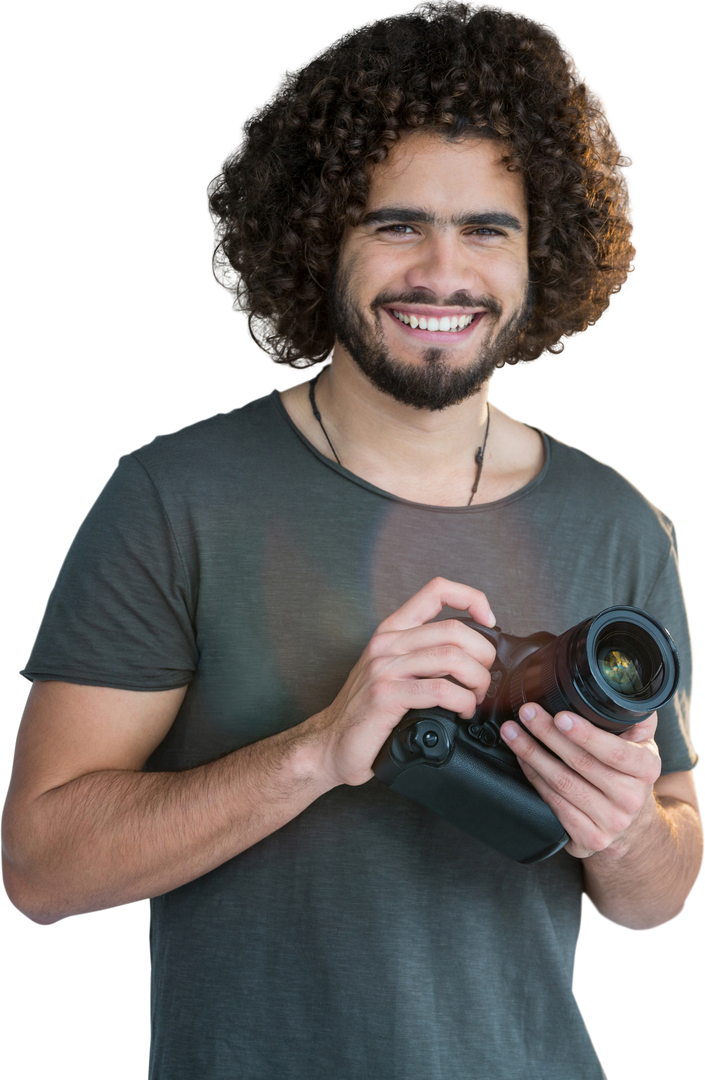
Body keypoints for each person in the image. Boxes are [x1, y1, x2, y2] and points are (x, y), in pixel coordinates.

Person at [2, 3, 701, 1078]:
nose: (441, 272)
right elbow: (41, 870)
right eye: (394, 223)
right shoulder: (173, 496)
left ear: (540, 253)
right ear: (317, 234)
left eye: (486, 229)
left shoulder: (619, 521)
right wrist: (321, 750)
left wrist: (619, 831)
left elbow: (663, 892)